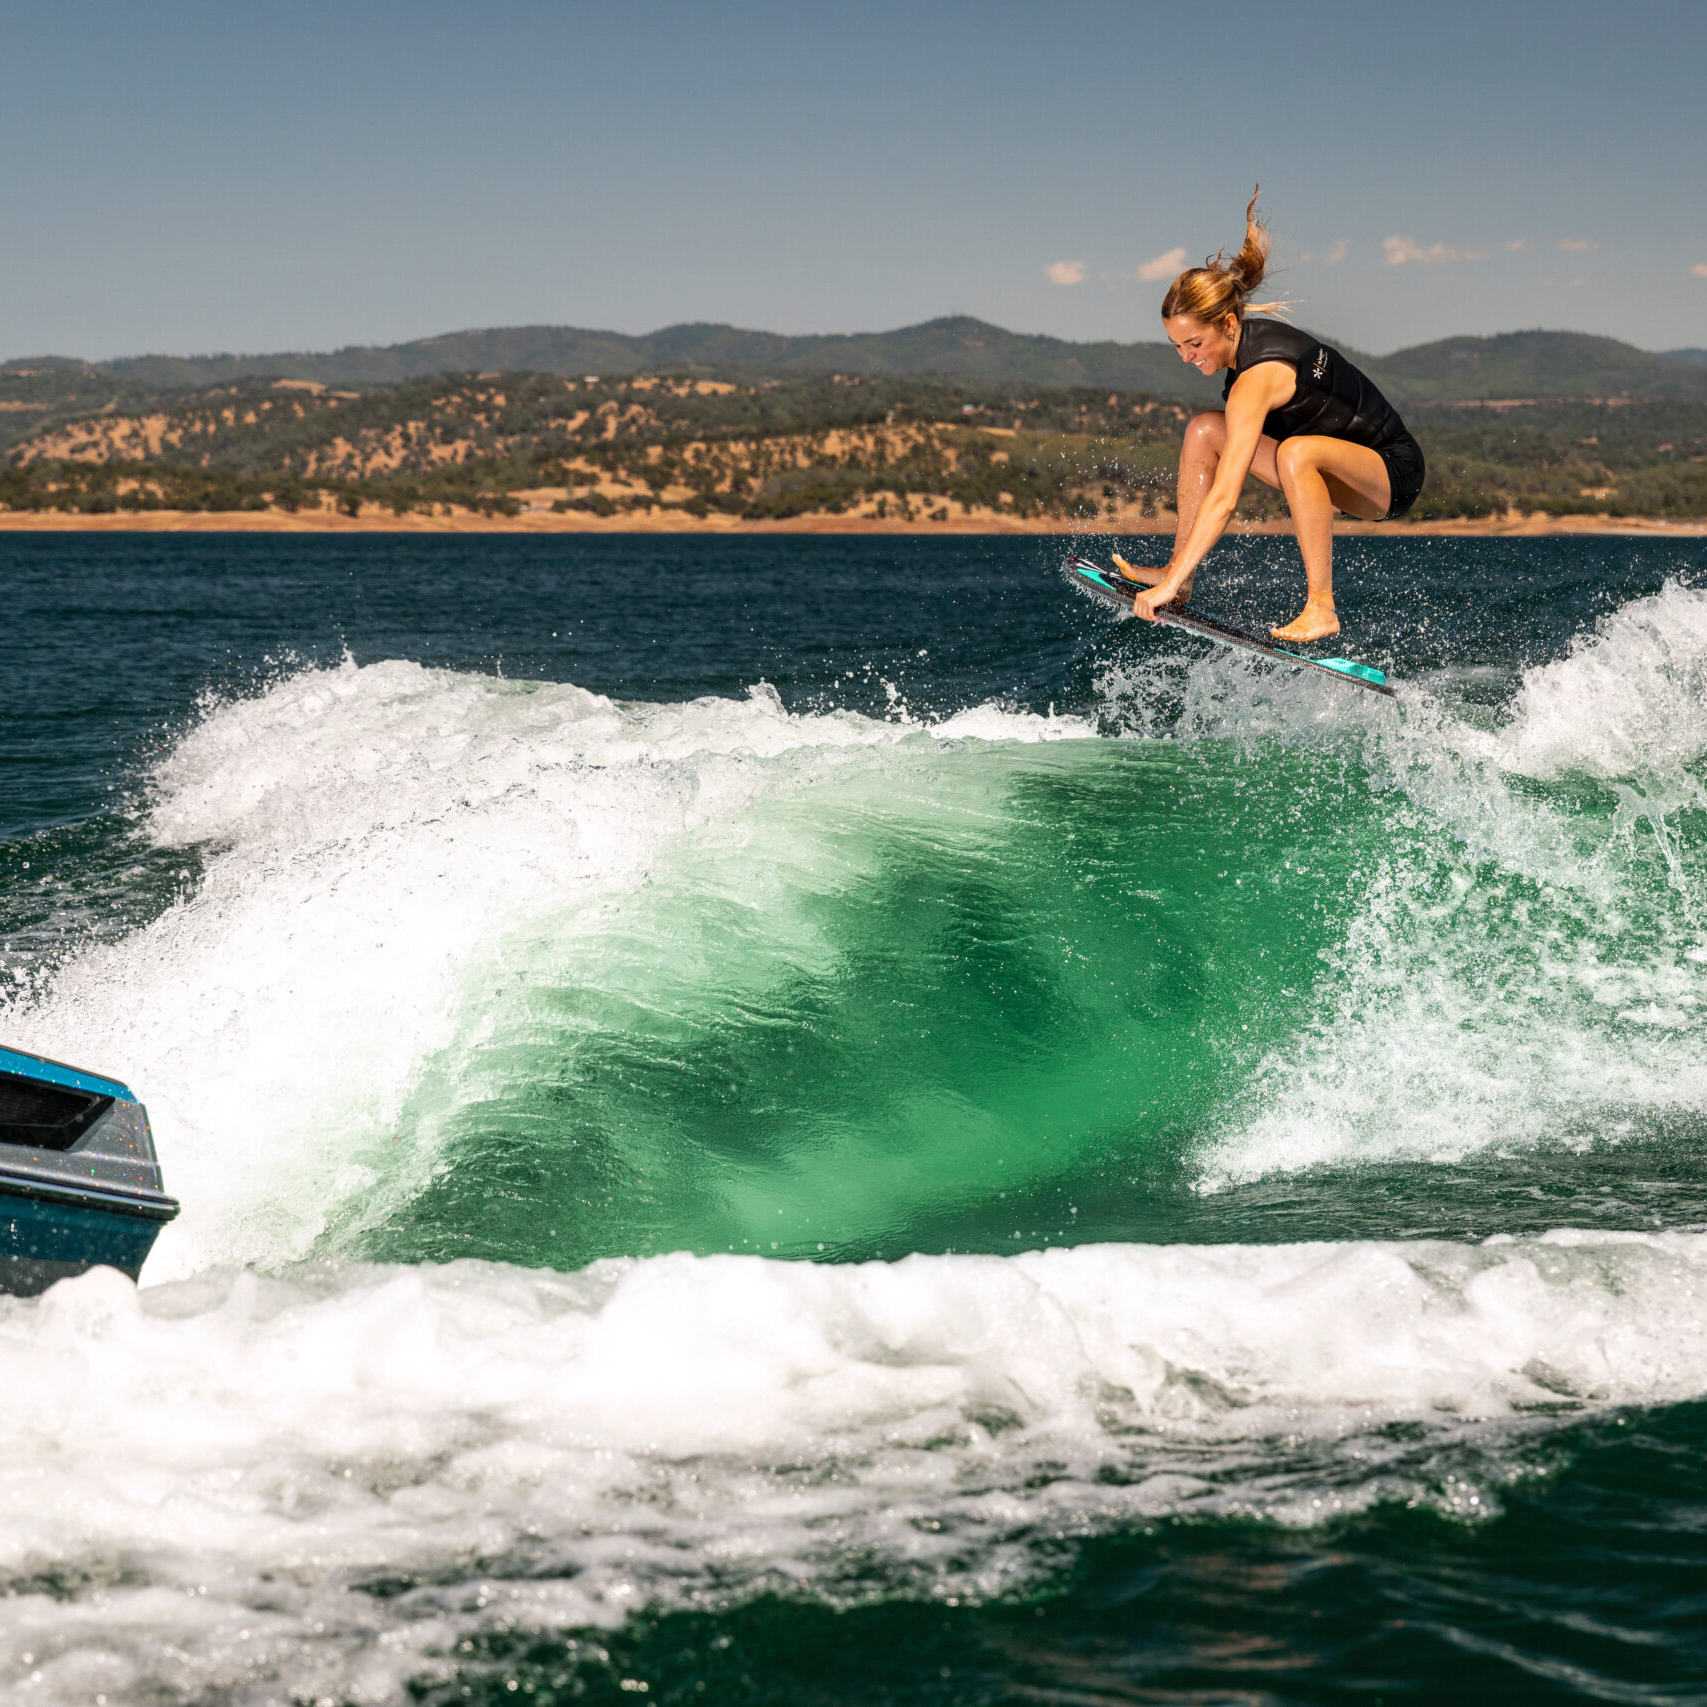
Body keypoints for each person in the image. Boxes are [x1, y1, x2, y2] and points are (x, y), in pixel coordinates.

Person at [1115, 189, 1425, 642]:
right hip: (1330, 467)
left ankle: (1322, 607)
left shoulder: (1255, 380)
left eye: (1194, 344)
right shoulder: (1244, 350)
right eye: (1177, 346)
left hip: (1390, 475)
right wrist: (1175, 575)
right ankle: (1178, 575)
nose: (1185, 357)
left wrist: (1166, 584)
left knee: (1297, 453)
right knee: (1204, 429)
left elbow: (1225, 498)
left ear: (1226, 323)